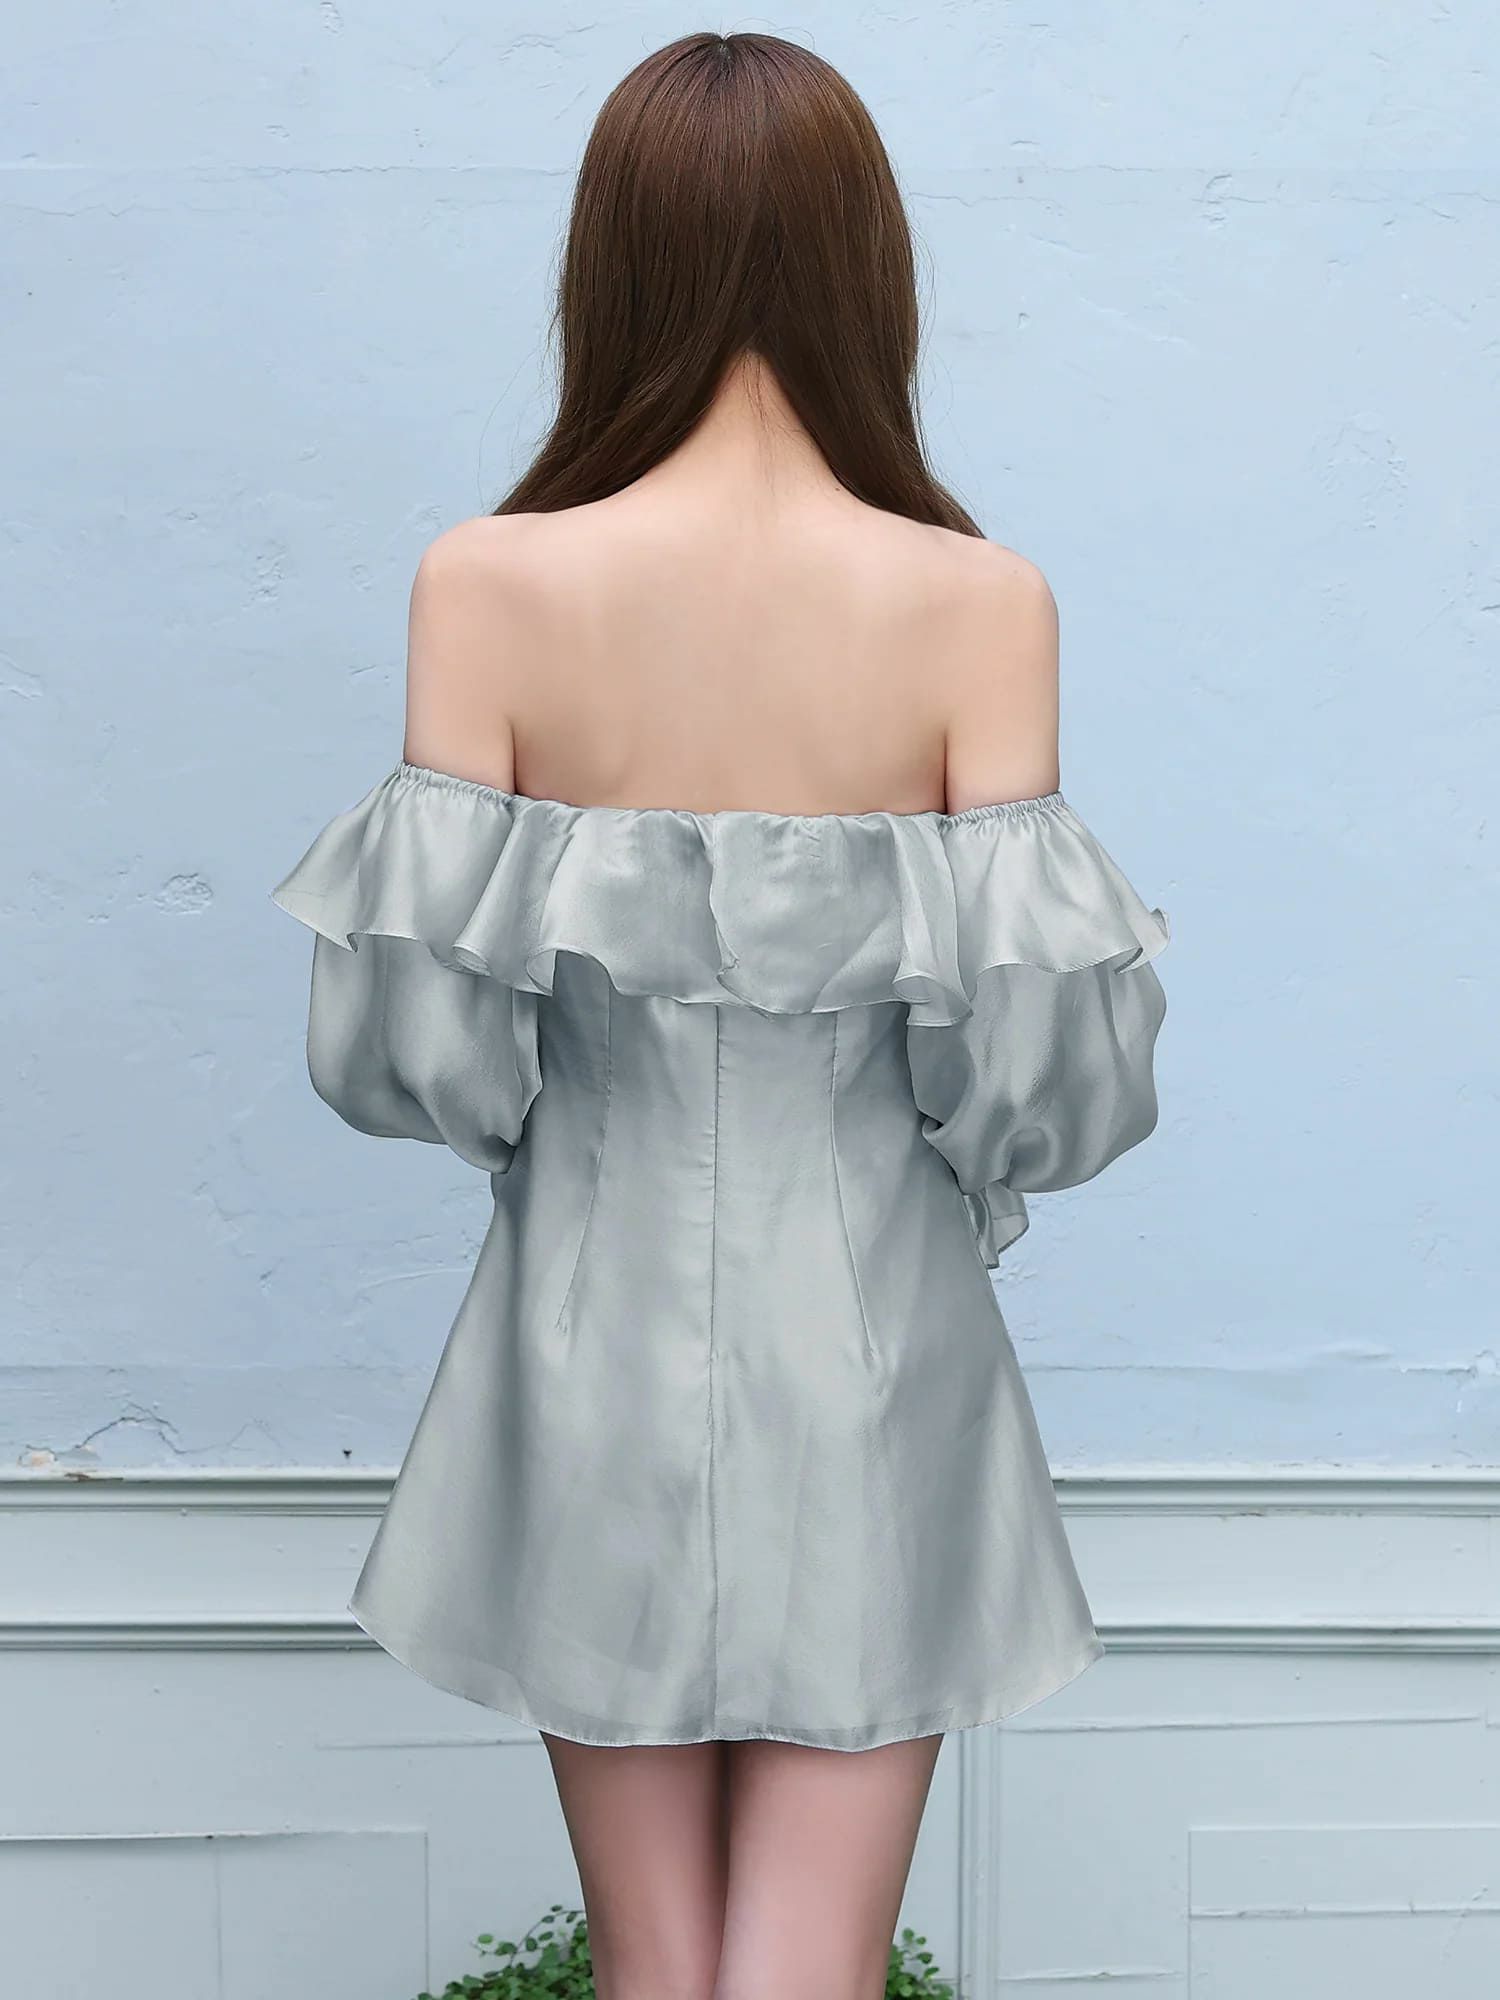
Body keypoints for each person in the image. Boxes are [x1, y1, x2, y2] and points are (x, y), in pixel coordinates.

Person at [270, 29, 1170, 2000]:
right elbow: (1036, 1077)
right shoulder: (978, 599)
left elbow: (421, 1050)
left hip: (578, 1320)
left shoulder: (484, 583)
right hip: (878, 1328)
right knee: (806, 1973)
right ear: (869, 263)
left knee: (653, 1970)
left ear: (611, 261)